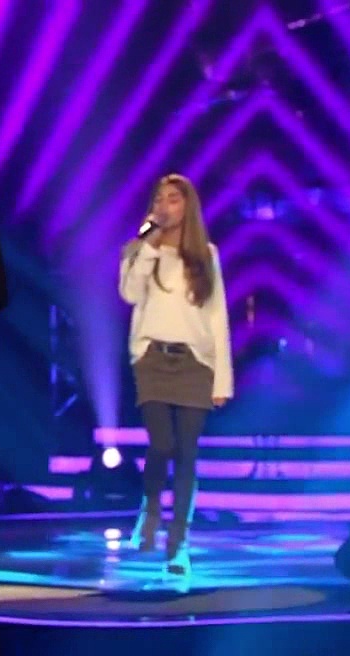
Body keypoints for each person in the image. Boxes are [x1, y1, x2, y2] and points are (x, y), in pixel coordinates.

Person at [118, 173, 232, 577]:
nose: (166, 205)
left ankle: (178, 543)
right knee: (162, 444)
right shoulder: (138, 251)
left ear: (188, 207)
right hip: (152, 358)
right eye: (160, 199)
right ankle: (150, 507)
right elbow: (130, 294)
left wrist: (222, 380)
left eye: (174, 199)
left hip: (194, 363)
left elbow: (216, 317)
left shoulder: (206, 255)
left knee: (186, 453)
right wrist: (148, 245)